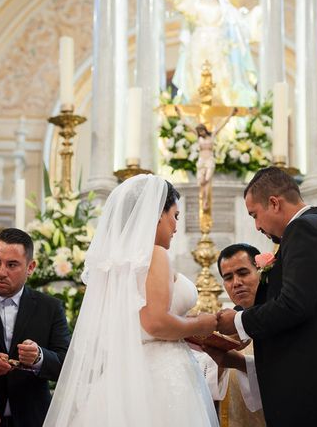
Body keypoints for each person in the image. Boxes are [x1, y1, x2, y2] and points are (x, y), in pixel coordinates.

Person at [44, 175, 219, 426]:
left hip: (126, 373)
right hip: (159, 374)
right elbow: (155, 322)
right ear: (158, 214)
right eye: (175, 216)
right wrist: (201, 325)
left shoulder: (117, 265)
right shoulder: (154, 254)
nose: (176, 226)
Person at [216, 167, 317, 426]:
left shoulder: (304, 230)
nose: (257, 226)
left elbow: (294, 304)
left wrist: (238, 323)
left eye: (255, 215)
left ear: (274, 203)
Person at [0, 228, 71, 427]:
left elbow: (67, 365)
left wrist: (39, 357)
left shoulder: (50, 307)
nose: (1, 272)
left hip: (33, 418)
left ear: (30, 267)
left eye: (12, 265)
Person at [166, 0, 258, 107]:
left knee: (221, 80)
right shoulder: (194, 3)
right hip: (198, 46)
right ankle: (197, 111)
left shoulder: (224, 7)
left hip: (219, 47)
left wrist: (256, 18)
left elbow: (239, 26)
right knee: (196, 81)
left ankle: (222, 116)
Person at [195, 243, 265, 427]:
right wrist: (218, 357)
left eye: (243, 273)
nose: (236, 283)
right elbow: (205, 387)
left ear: (261, 271)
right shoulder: (226, 324)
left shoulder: (279, 317)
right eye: (228, 277)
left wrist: (239, 363)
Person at [175, 105, 236, 212]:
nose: (201, 133)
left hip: (209, 161)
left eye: (202, 131)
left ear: (204, 130)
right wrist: (179, 113)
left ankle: (206, 200)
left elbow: (223, 124)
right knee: (202, 182)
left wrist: (231, 114)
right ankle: (203, 201)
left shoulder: (212, 135)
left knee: (208, 180)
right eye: (199, 132)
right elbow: (187, 124)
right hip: (201, 161)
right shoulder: (198, 137)